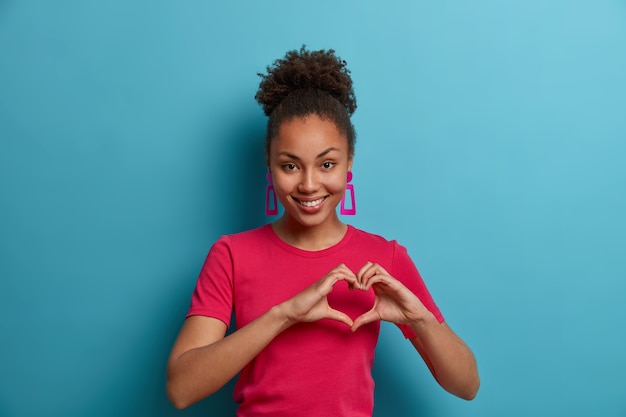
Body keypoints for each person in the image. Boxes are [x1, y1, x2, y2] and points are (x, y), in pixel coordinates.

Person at [166, 46, 479, 416]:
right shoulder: (232, 255)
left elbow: (466, 385)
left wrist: (420, 320)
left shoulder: (386, 258)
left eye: (327, 163)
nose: (310, 184)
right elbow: (181, 388)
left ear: (349, 164)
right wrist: (284, 315)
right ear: (269, 164)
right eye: (291, 166)